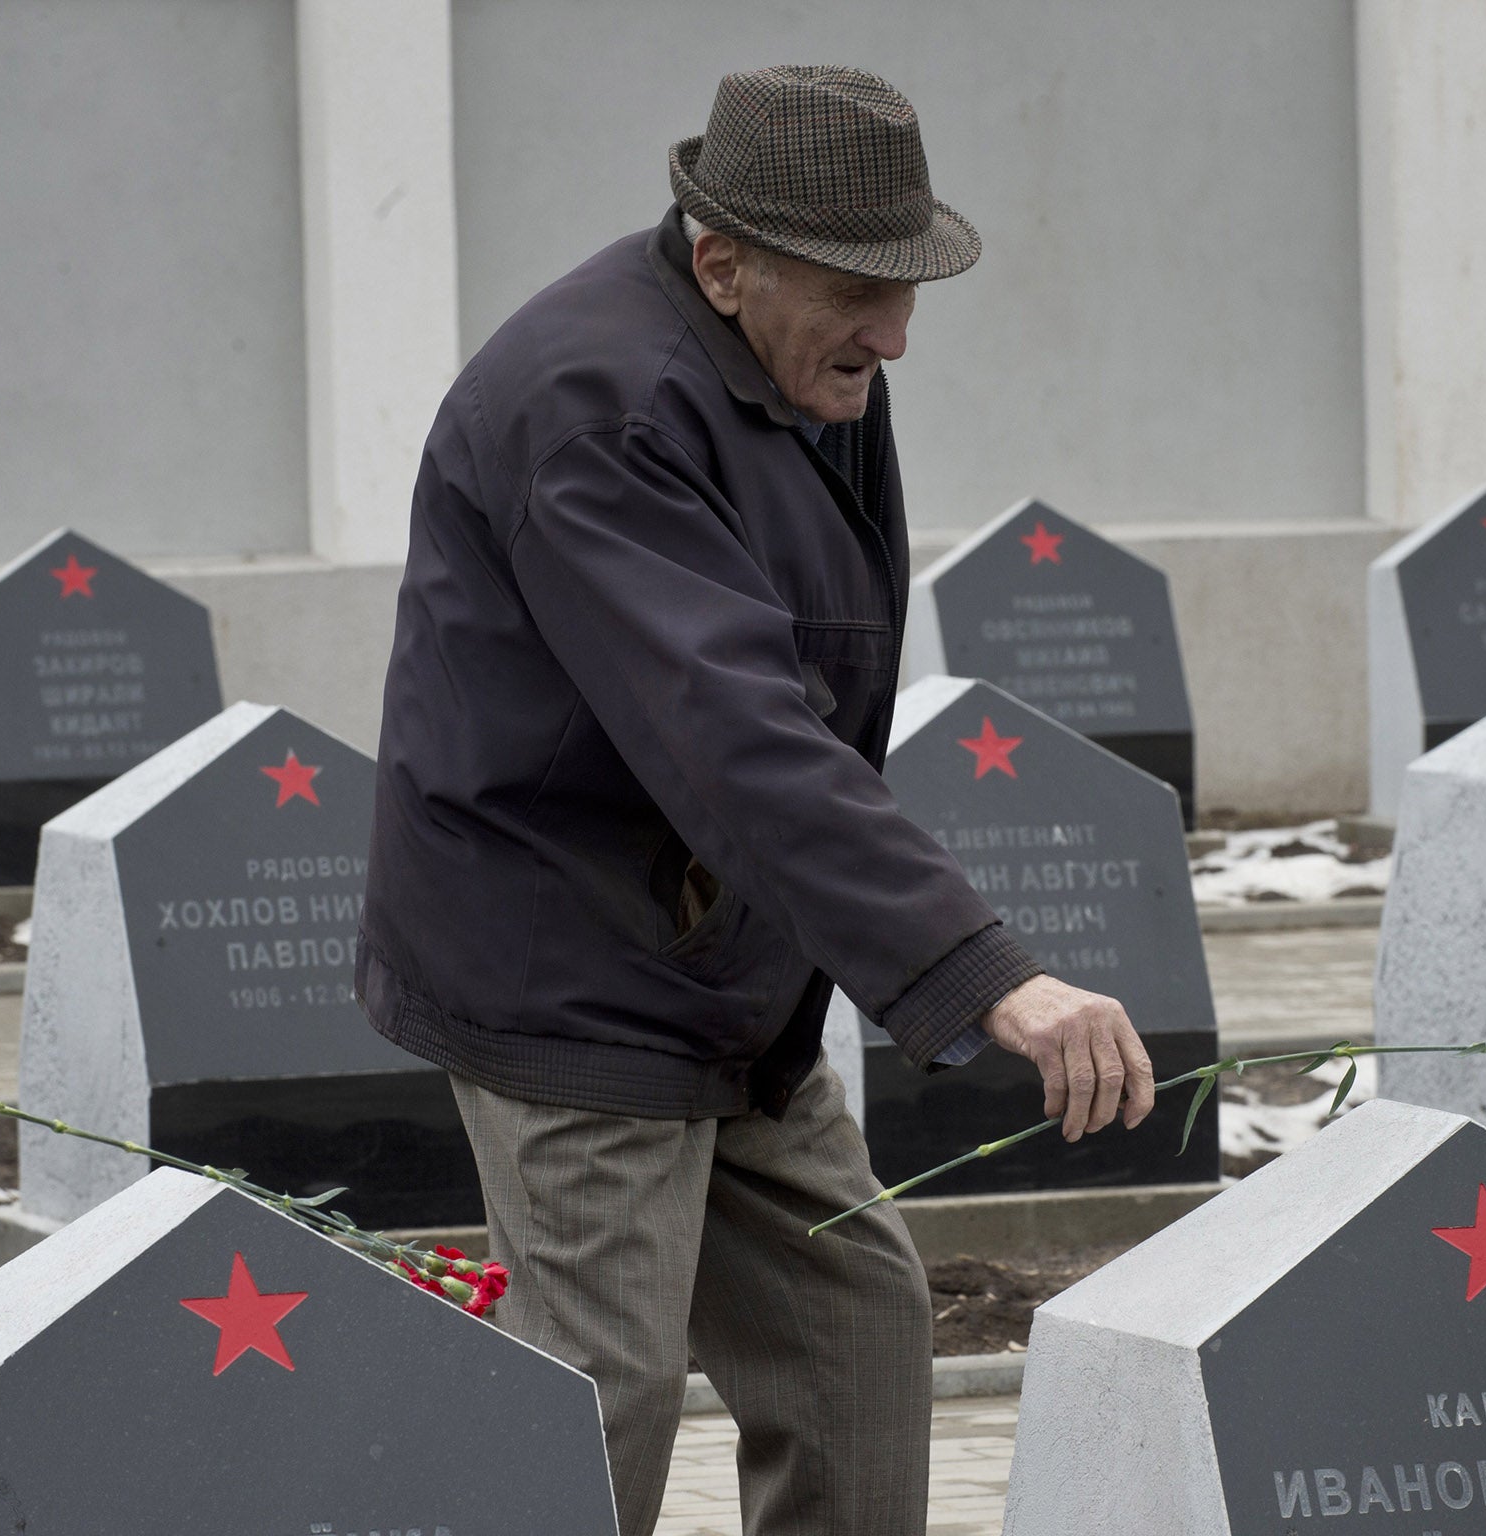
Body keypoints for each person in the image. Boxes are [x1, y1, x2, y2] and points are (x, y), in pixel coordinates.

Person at [356, 64, 1155, 1535]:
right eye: (864, 290)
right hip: (572, 977)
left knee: (853, 1323)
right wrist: (988, 977)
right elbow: (736, 732)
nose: (898, 335)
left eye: (909, 288)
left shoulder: (797, 355)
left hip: (729, 969)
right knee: (600, 1393)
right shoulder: (601, 410)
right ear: (721, 263)